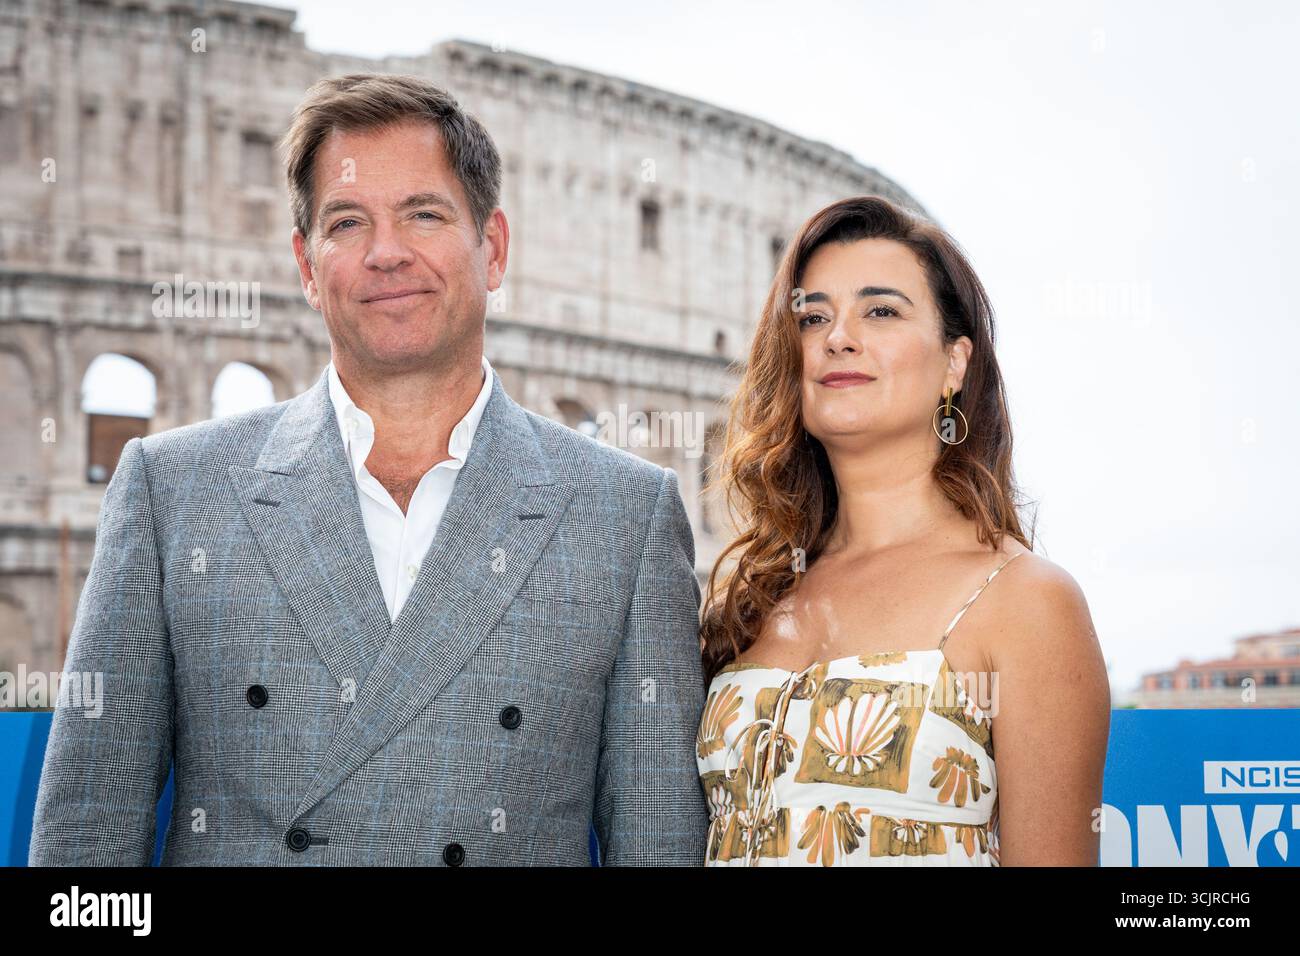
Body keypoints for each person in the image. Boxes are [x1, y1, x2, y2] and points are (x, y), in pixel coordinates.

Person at [29, 72, 707, 866]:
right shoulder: (169, 493)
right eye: (348, 223)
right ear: (308, 268)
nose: (387, 254)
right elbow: (84, 841)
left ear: (491, 249)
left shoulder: (626, 515)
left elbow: (658, 841)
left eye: (424, 214)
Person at [696, 195, 1110, 866]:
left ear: (954, 362)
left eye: (881, 311)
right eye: (813, 316)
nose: (838, 337)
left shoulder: (1027, 600)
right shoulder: (754, 595)